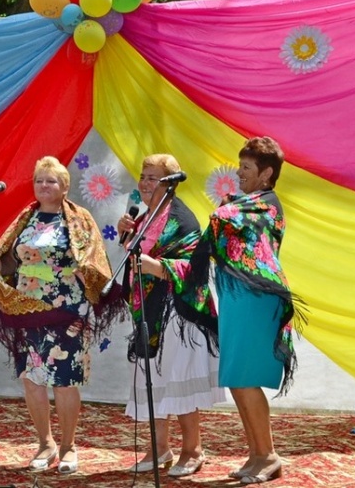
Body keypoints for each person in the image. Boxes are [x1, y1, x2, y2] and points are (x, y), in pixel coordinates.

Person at [144, 137, 300, 484]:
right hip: (237, 298)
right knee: (236, 380)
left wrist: (224, 206)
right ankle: (258, 453)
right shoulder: (247, 202)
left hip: (257, 298)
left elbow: (223, 216)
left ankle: (269, 455)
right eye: (240, 165)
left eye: (246, 168)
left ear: (266, 173)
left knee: (245, 380)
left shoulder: (266, 204)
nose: (239, 173)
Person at [0, 156, 113, 475]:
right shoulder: (25, 218)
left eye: (51, 180)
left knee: (65, 381)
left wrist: (84, 284)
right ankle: (45, 443)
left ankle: (69, 447)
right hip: (27, 307)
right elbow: (9, 257)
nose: (44, 185)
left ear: (65, 187)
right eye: (39, 179)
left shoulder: (79, 219)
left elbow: (95, 260)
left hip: (65, 307)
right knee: (32, 378)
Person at [116, 154, 225, 477]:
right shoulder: (145, 218)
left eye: (153, 178)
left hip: (179, 315)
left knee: (178, 381)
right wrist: (126, 236)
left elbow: (195, 268)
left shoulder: (183, 219)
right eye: (143, 176)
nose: (145, 183)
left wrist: (159, 267)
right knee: (153, 382)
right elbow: (136, 260)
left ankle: (193, 449)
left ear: (170, 183)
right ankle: (158, 447)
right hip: (149, 312)